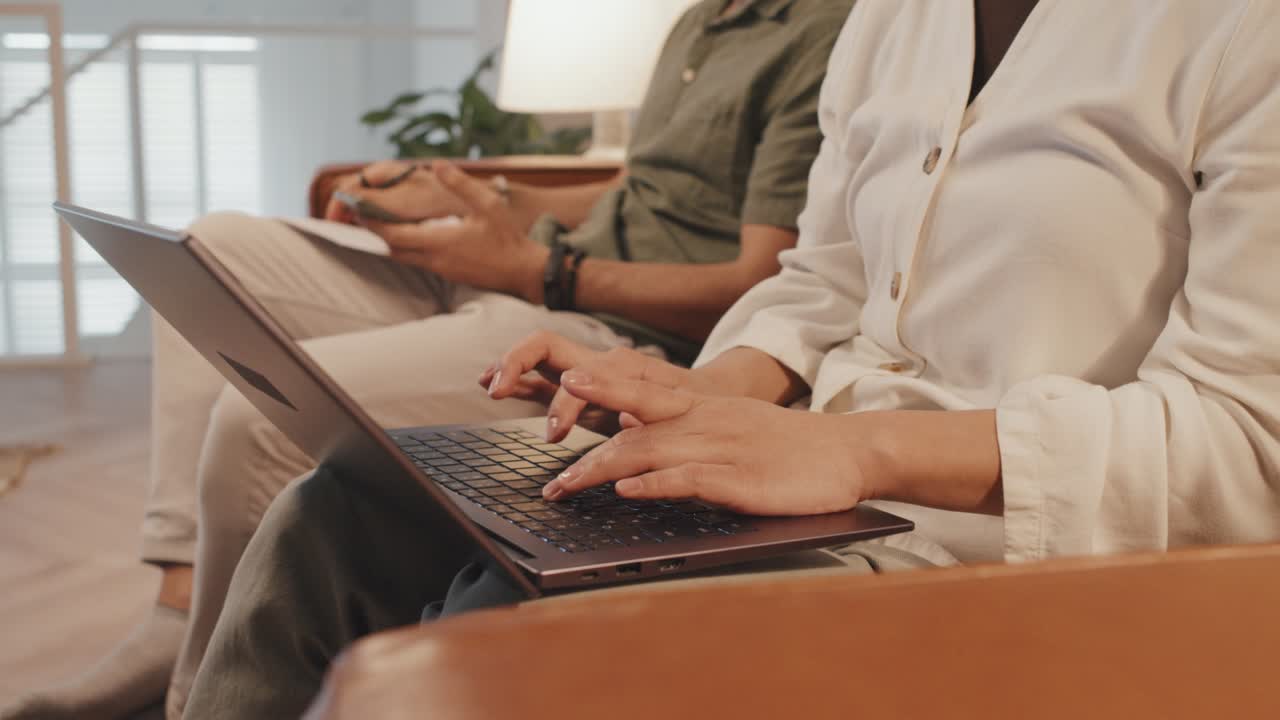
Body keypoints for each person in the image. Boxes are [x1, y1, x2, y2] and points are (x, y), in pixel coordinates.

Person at [178, 0, 1280, 717]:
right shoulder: (895, 18)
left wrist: (853, 451)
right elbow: (824, 282)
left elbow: (1247, 446)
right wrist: (705, 394)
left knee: (500, 634)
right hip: (819, 479)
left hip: (1001, 553)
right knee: (341, 507)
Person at [0, 2, 853, 719]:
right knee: (209, 248)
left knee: (260, 416)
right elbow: (639, 189)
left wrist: (538, 268)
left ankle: (193, 693)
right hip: (534, 274)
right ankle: (176, 603)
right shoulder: (703, 20)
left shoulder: (826, 29)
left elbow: (758, 280)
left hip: (597, 320)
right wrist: (486, 199)